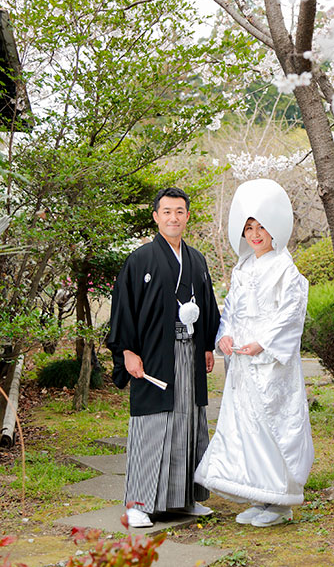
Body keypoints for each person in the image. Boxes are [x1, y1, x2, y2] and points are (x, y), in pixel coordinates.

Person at [195, 178, 314, 527]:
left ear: (274, 228)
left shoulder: (285, 268)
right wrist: (226, 336)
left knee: (272, 426)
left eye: (262, 226)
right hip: (244, 363)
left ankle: (280, 503)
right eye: (250, 227)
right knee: (246, 427)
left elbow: (291, 311)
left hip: (271, 363)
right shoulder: (243, 268)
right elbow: (231, 310)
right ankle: (260, 496)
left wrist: (263, 342)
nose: (256, 233)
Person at [107, 186, 220, 528]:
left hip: (189, 350)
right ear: (156, 217)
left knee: (188, 422)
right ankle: (138, 504)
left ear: (187, 216)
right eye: (167, 211)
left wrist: (206, 347)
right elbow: (124, 307)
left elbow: (208, 307)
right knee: (152, 425)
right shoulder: (139, 259)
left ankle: (183, 500)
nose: (174, 217)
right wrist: (127, 350)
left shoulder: (197, 259)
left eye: (180, 211)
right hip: (154, 354)